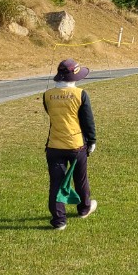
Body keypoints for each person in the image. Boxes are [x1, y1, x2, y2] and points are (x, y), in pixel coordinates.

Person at [43, 58, 97, 230]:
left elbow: (51, 115)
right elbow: (87, 121)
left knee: (56, 183)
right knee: (80, 179)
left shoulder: (48, 95)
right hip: (76, 145)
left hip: (54, 146)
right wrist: (92, 140)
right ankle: (84, 208)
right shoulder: (80, 94)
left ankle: (59, 220)